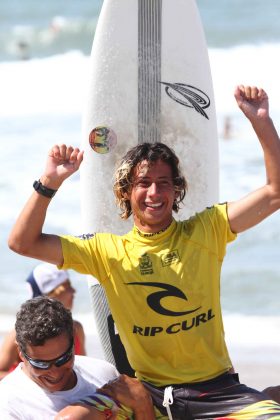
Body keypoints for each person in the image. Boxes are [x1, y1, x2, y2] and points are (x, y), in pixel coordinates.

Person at [8, 85, 280, 418]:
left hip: (217, 390)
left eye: (164, 182)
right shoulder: (106, 252)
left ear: (176, 189)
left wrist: (261, 122)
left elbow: (274, 193)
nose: (154, 192)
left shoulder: (207, 229)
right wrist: (50, 181)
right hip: (147, 392)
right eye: (144, 182)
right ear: (126, 190)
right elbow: (22, 243)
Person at [0, 296, 154, 419]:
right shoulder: (7, 403)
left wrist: (143, 405)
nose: (54, 372)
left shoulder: (104, 372)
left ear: (74, 342)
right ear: (21, 353)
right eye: (40, 364)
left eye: (63, 359)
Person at [0, 263, 86, 380]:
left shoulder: (76, 328)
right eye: (67, 286)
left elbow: (83, 370)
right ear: (53, 294)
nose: (73, 291)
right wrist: (35, 380)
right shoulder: (19, 335)